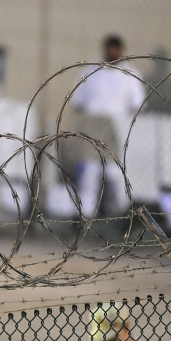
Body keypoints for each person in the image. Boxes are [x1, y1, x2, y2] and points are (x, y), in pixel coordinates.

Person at [65, 35, 146, 219]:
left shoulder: (130, 75)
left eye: (116, 49)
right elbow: (78, 102)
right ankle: (85, 214)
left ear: (121, 51)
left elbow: (137, 105)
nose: (112, 52)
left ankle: (120, 212)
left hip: (118, 127)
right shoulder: (91, 71)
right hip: (94, 126)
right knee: (90, 171)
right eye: (110, 48)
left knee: (115, 172)